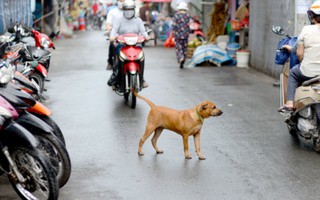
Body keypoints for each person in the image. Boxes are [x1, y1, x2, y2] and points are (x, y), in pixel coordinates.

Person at [278, 0, 320, 112]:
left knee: (293, 73)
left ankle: (290, 103)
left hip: (308, 72)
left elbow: (299, 54)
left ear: (312, 16)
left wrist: (302, 59)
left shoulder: (307, 30)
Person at [107, 0, 150, 88]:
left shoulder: (138, 20)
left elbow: (143, 31)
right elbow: (114, 30)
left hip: (135, 44)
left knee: (141, 55)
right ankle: (115, 75)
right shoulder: (119, 20)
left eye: (131, 9)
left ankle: (142, 78)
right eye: (127, 9)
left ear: (134, 10)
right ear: (123, 10)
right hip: (122, 44)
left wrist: (147, 37)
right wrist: (112, 36)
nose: (129, 11)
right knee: (118, 54)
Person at [105, 0, 125, 70]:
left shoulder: (130, 11)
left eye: (123, 0)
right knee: (112, 45)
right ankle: (110, 62)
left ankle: (141, 78)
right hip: (116, 36)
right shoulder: (112, 12)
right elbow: (108, 23)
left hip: (129, 37)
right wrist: (108, 29)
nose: (122, 2)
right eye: (120, 0)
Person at [171, 2, 190, 68]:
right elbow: (188, 25)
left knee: (179, 48)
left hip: (177, 35)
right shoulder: (187, 16)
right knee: (184, 48)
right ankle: (183, 58)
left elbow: (174, 25)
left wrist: (172, 33)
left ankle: (180, 58)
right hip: (185, 35)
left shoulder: (176, 15)